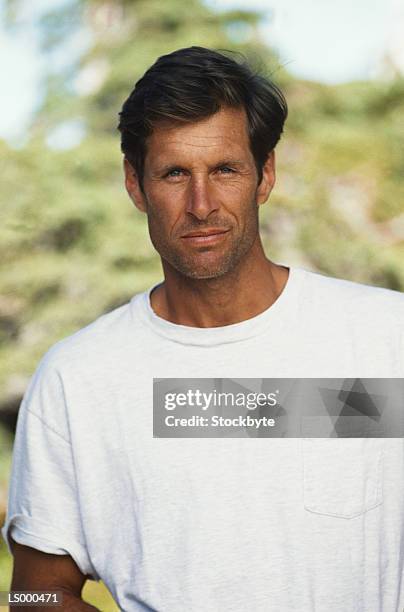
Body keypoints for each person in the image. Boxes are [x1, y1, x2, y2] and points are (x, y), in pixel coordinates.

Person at [2, 46, 404, 612]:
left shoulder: (386, 339)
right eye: (173, 174)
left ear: (264, 175)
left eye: (224, 169)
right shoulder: (79, 379)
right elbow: (34, 594)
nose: (201, 204)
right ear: (135, 185)